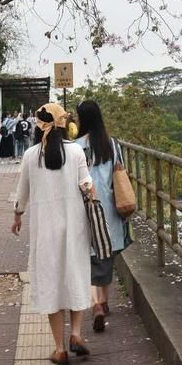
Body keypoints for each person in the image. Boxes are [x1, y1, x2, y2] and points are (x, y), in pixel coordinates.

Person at [11, 102, 94, 365]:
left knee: (50, 282)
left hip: (45, 229)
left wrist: (18, 215)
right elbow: (87, 185)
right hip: (75, 226)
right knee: (75, 274)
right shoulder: (77, 152)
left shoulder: (31, 155)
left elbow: (22, 191)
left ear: (39, 125)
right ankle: (77, 334)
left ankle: (59, 349)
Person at [75, 99, 127, 333]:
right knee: (107, 254)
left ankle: (96, 302)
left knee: (90, 256)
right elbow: (120, 172)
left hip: (85, 205)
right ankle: (104, 301)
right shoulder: (112, 144)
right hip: (109, 205)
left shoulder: (76, 146)